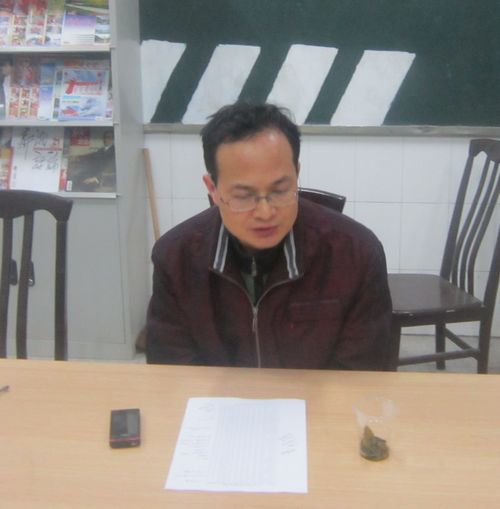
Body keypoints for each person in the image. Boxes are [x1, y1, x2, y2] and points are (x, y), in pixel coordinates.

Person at [146, 102, 392, 370]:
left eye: (280, 191)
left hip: (320, 398)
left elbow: (363, 376)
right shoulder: (176, 258)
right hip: (216, 397)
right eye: (243, 196)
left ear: (297, 174)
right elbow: (172, 373)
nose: (265, 213)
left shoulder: (355, 255)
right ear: (213, 188)